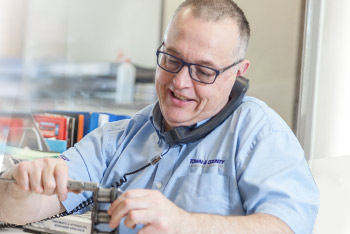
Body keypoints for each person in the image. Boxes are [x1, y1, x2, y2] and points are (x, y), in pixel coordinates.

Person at [0, 0, 319, 233]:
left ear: (237, 72)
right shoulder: (116, 138)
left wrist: (186, 224)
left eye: (204, 71)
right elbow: (22, 211)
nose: (180, 83)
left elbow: (287, 226)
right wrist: (22, 188)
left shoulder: (260, 134)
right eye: (171, 59)